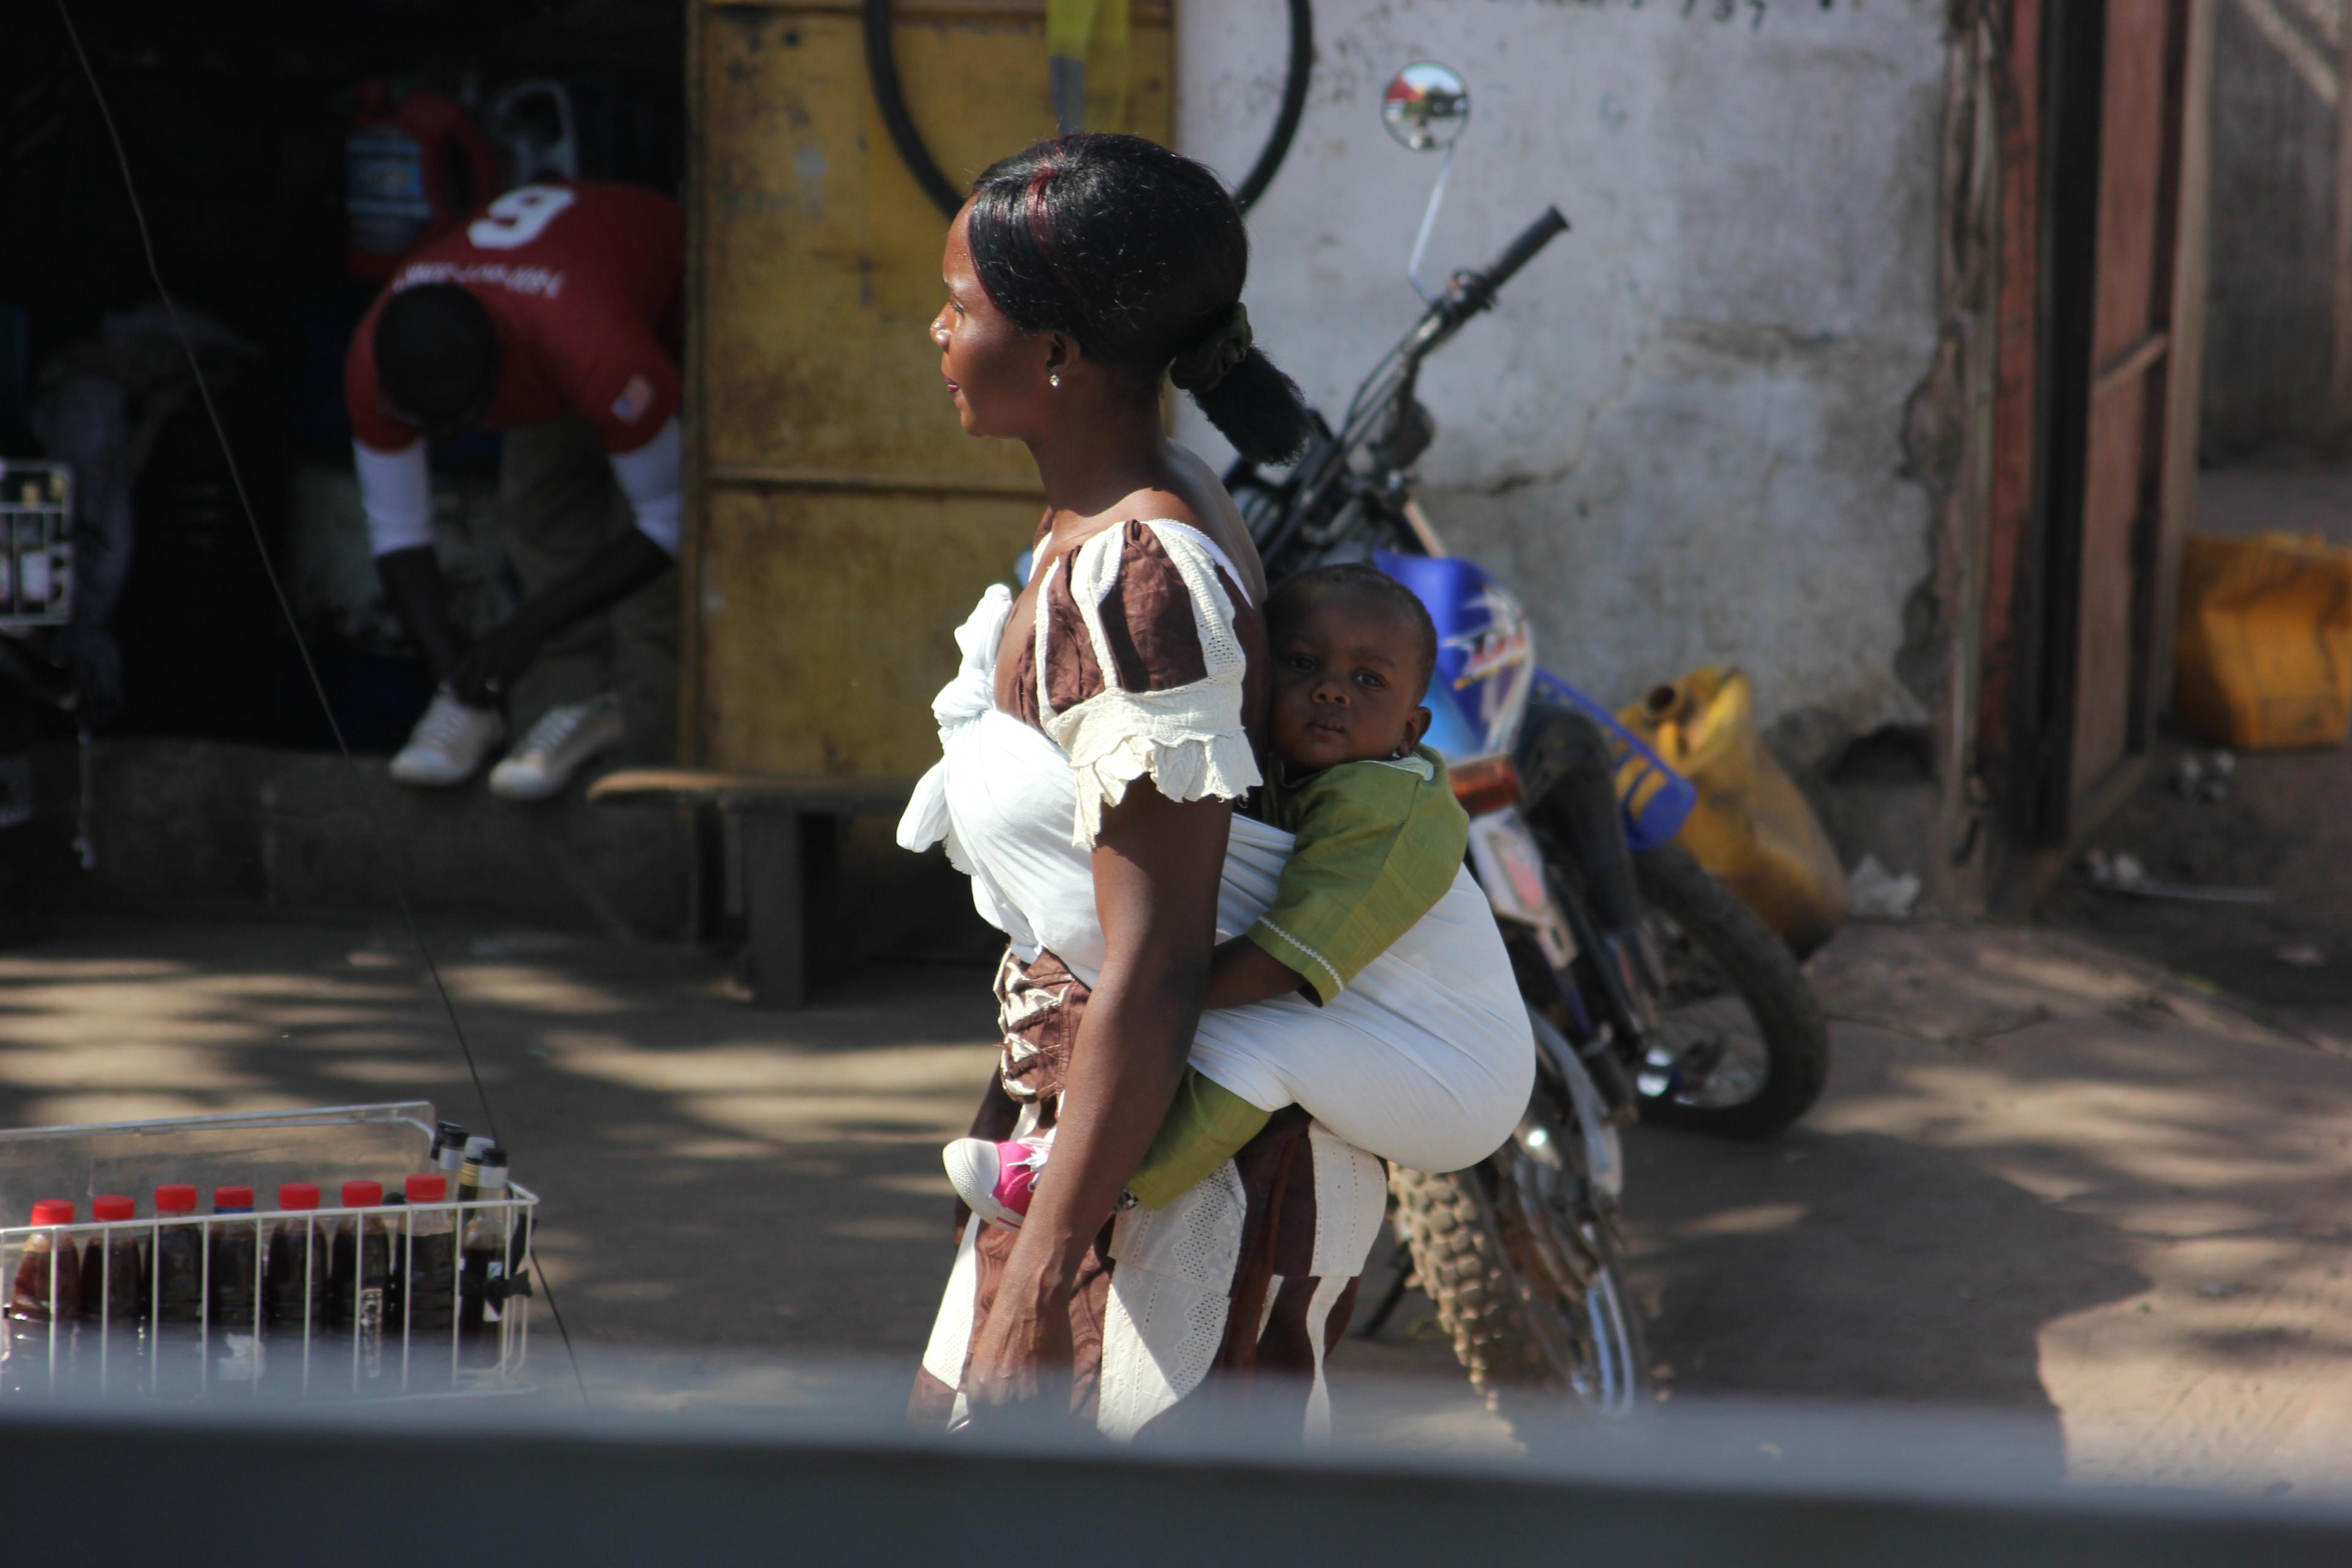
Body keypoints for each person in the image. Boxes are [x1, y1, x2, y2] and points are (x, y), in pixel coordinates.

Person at [895, 134, 1532, 1441]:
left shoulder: (1140, 580)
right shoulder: (1106, 521)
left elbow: (1161, 960)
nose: (938, 332)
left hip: (1199, 1189)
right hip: (1110, 1143)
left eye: (963, 308)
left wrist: (1046, 1273)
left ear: (1060, 351)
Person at [941, 563, 1472, 1227]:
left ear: (1411, 731)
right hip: (1385, 1022)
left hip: (1456, 1075)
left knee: (1260, 1051)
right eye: (1304, 664)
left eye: (1368, 680)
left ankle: (1097, 1185)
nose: (1332, 691)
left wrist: (1148, 997)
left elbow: (1288, 956)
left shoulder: (1386, 809)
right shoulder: (1283, 771)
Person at [343, 181, 683, 799]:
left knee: (654, 597)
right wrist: (453, 668)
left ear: (502, 368)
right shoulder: (377, 358)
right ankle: (547, 735)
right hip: (553, 325)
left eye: (461, 421)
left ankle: (641, 772)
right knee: (542, 530)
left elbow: (670, 521)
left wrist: (527, 628)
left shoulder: (591, 348)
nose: (445, 440)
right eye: (429, 426)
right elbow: (396, 532)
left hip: (660, 324)